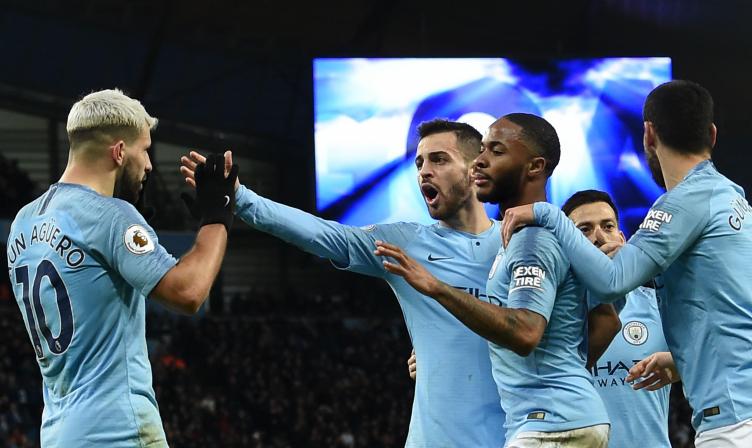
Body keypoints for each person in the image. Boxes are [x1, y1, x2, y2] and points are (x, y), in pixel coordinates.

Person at [501, 80, 752, 446]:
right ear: (712, 134)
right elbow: (726, 315)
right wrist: (678, 361)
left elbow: (612, 280)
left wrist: (549, 214)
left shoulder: (683, 202)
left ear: (648, 134)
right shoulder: (732, 198)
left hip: (744, 414)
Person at [181, 119, 508, 447]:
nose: (423, 171)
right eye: (419, 162)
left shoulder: (517, 247)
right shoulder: (405, 244)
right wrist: (241, 198)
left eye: (439, 159)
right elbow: (323, 234)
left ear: (475, 168)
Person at [6, 89, 236, 447]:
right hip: (119, 431)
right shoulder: (112, 217)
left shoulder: (23, 222)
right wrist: (217, 216)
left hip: (58, 433)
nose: (149, 164)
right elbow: (188, 292)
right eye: (144, 150)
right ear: (118, 151)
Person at [376, 113, 610, 447]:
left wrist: (437, 287)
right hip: (556, 420)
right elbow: (606, 319)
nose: (480, 163)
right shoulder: (516, 236)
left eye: (495, 152)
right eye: (482, 150)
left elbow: (525, 331)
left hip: (550, 424)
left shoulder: (533, 239)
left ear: (533, 166)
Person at [562, 189, 671, 448]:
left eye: (607, 226)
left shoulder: (659, 305)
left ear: (622, 238)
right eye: (584, 230)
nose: (599, 237)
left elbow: (713, 350)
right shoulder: (553, 315)